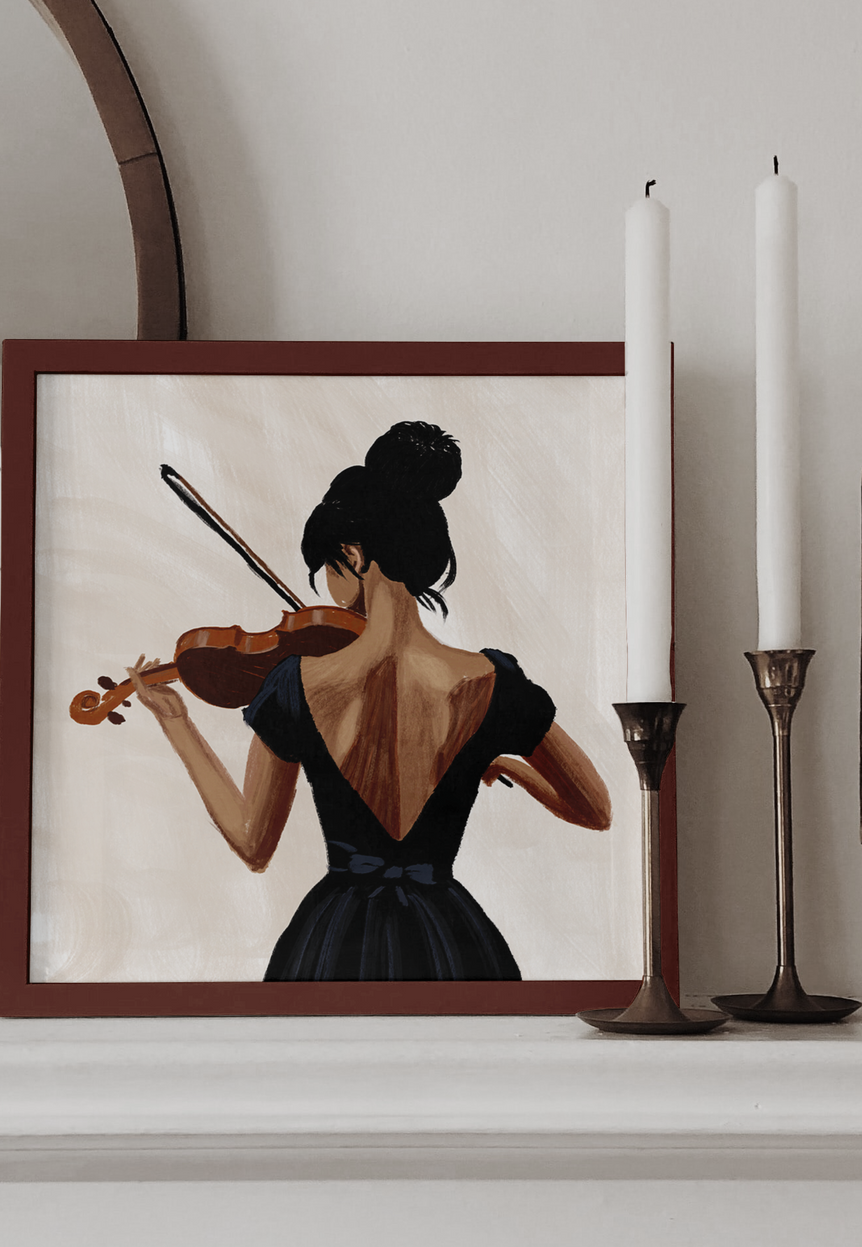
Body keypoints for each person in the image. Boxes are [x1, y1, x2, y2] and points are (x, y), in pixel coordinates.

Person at [127, 420, 611, 981]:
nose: (325, 590)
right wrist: (510, 768)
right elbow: (595, 809)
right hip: (454, 939)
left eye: (326, 568)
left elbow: (253, 843)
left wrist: (177, 721)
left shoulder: (293, 684)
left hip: (334, 939)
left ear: (354, 555)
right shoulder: (492, 682)